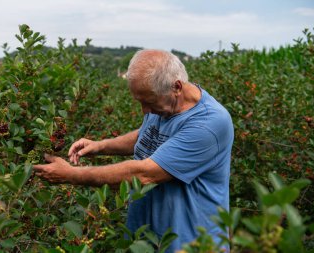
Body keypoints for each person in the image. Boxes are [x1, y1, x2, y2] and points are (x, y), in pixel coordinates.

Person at [33, 49, 234, 252]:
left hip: (190, 243)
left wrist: (71, 175)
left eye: (148, 102)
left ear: (177, 87)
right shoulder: (164, 105)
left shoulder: (209, 124)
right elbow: (148, 134)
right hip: (145, 239)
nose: (144, 111)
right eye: (140, 102)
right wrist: (101, 146)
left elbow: (144, 174)